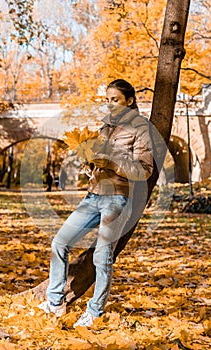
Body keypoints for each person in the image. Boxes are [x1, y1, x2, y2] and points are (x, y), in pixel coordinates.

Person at [38, 79, 154, 327]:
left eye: (116, 100)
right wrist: (90, 166)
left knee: (102, 256)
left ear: (130, 101)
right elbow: (99, 160)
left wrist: (112, 165)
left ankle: (95, 311)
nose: (110, 104)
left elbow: (145, 169)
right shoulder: (104, 128)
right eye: (107, 100)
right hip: (93, 196)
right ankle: (55, 302)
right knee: (60, 242)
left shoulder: (141, 127)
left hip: (118, 197)